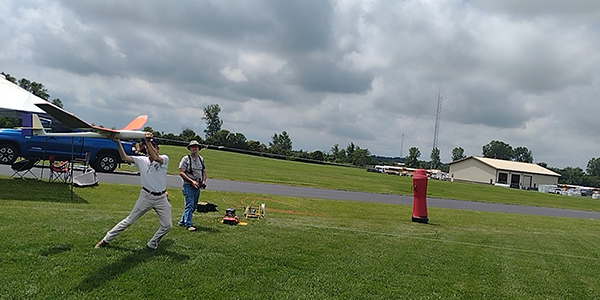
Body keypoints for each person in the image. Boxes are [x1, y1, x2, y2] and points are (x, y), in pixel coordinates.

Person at [95, 132, 171, 250]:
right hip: (146, 196)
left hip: (161, 198)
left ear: (157, 148)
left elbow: (156, 157)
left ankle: (152, 243)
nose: (150, 149)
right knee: (129, 221)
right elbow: (125, 158)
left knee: (167, 225)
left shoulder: (164, 159)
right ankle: (106, 239)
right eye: (148, 147)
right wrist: (117, 142)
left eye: (153, 147)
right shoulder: (141, 160)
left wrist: (147, 141)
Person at [177, 140, 207, 232]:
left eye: (196, 146)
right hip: (188, 185)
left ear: (198, 148)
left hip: (197, 186)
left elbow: (204, 171)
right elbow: (181, 172)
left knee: (193, 206)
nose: (194, 148)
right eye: (193, 146)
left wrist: (203, 181)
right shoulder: (186, 159)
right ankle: (188, 224)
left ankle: (182, 221)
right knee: (189, 205)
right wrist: (191, 181)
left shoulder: (201, 159)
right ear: (190, 148)